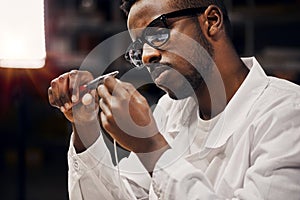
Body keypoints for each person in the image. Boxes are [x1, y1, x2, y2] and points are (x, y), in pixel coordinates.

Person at [48, 0, 300, 199]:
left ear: (212, 21)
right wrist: (85, 125)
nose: (146, 56)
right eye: (138, 48)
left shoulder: (287, 113)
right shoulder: (169, 112)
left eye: (157, 33)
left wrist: (151, 148)